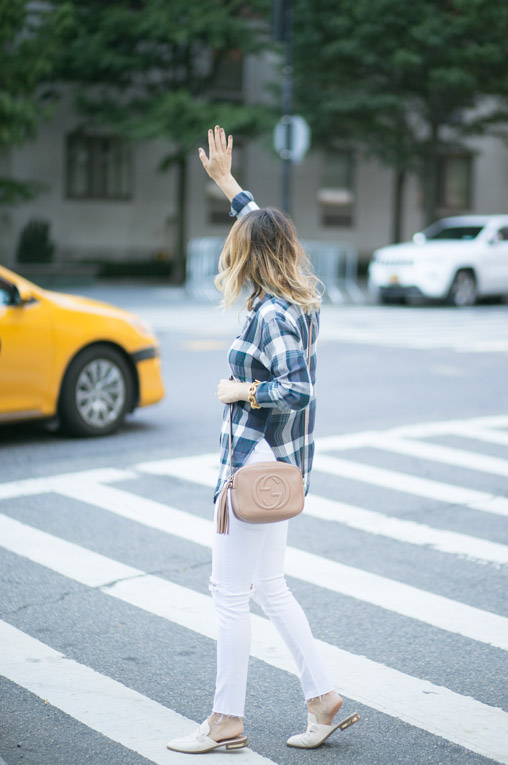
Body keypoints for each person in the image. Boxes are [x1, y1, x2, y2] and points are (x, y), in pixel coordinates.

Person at [167, 125, 359, 754]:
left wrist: (242, 392)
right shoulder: (298, 293)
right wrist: (228, 182)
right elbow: (263, 224)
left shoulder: (273, 311)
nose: (230, 247)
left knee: (229, 595)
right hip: (277, 465)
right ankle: (323, 699)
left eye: (236, 242)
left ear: (249, 255)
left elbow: (298, 389)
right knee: (269, 587)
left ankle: (226, 720)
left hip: (254, 463)